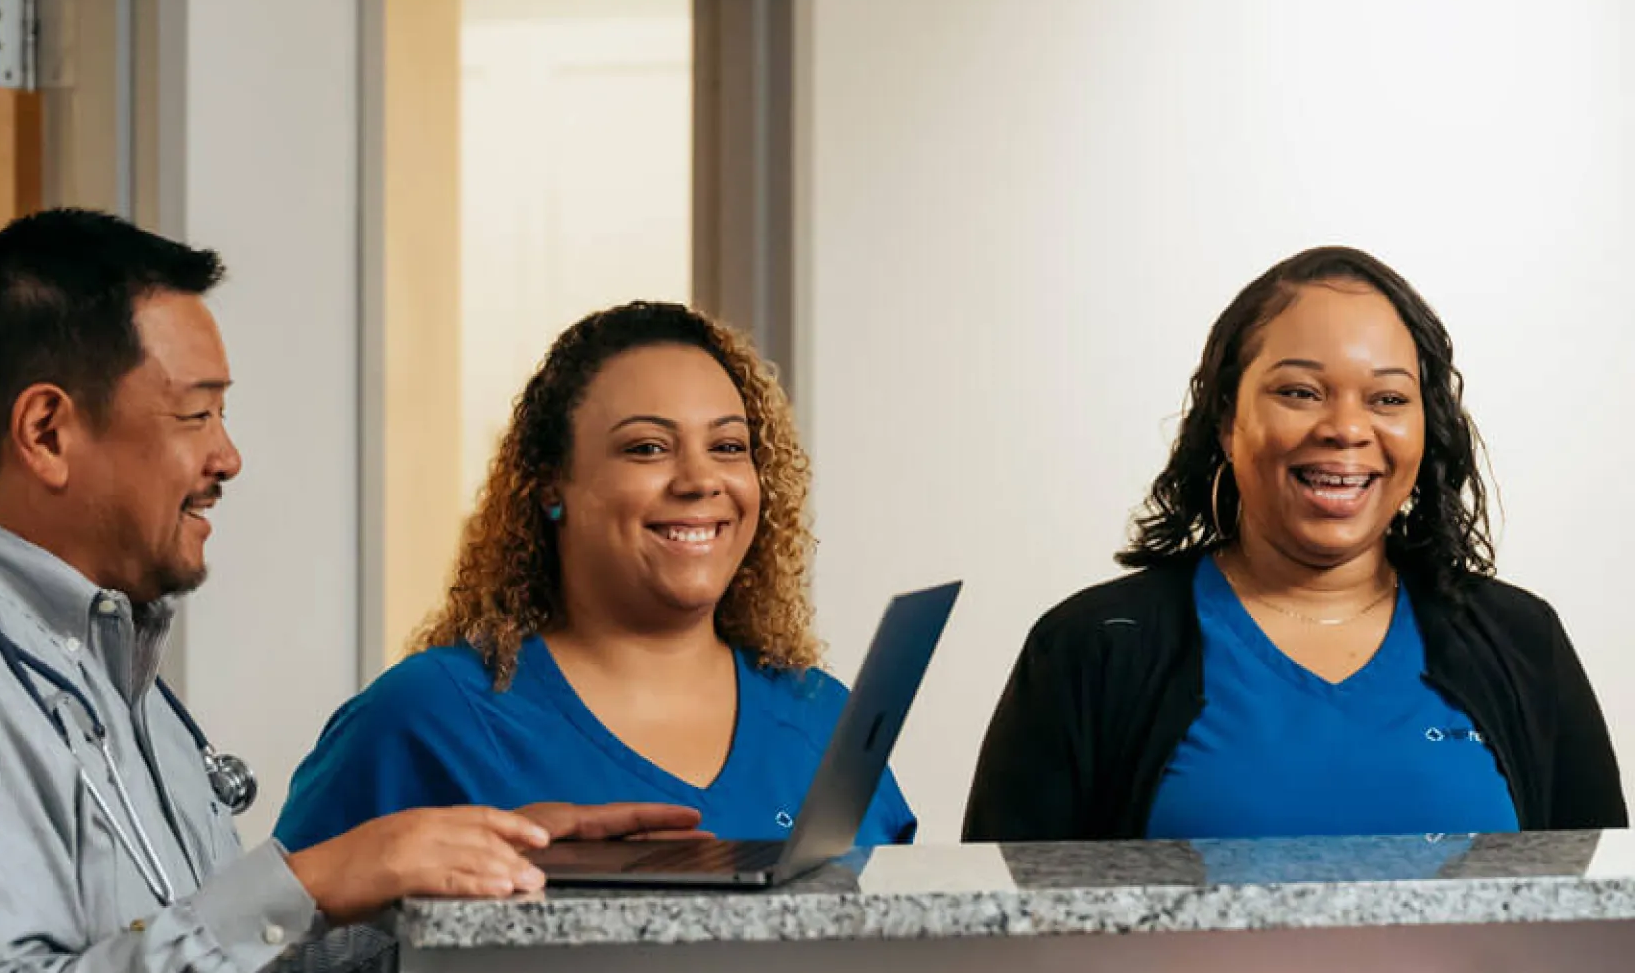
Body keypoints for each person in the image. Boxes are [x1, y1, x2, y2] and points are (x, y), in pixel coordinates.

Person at [0, 210, 699, 973]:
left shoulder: (105, 672)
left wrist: (434, 887)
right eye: (196, 414)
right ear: (47, 432)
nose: (227, 457)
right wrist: (315, 882)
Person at [962, 246, 1626, 843]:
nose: (1346, 428)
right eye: (1300, 392)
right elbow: (1000, 939)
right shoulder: (1092, 648)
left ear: (1428, 429)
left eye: (1388, 398)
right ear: (1227, 418)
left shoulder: (1520, 640)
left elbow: (1603, 922)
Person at [273, 301, 918, 851]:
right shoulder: (426, 721)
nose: (699, 481)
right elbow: (272, 949)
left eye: (727, 447)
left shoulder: (823, 718)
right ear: (552, 486)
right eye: (647, 448)